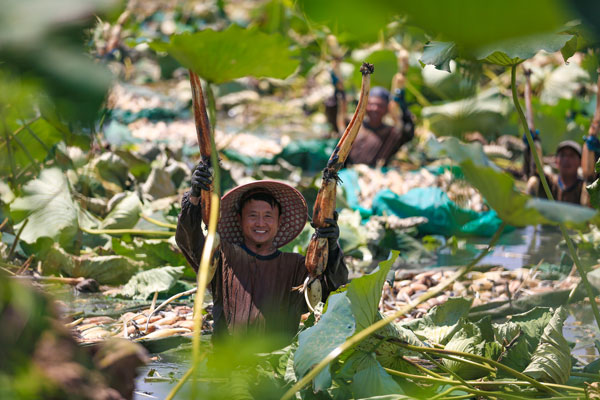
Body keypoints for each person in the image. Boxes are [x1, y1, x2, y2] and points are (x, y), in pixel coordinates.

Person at [175, 164, 348, 344]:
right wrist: (194, 196)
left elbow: (334, 290)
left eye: (267, 216)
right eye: (252, 216)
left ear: (279, 221)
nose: (260, 223)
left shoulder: (297, 267)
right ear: (239, 219)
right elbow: (189, 241)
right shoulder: (223, 257)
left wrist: (332, 246)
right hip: (226, 362)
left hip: (276, 363)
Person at [325, 85, 415, 167]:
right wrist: (337, 95)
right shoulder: (353, 127)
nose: (375, 109)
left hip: (374, 178)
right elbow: (334, 116)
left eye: (380, 105)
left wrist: (403, 108)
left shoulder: (391, 133)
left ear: (387, 109)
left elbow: (408, 132)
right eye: (371, 104)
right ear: (364, 106)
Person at [526, 140, 590, 206]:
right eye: (562, 155)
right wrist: (533, 145)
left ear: (580, 162)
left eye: (571, 155)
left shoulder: (584, 188)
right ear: (556, 160)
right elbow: (536, 172)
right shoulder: (548, 182)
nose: (566, 159)